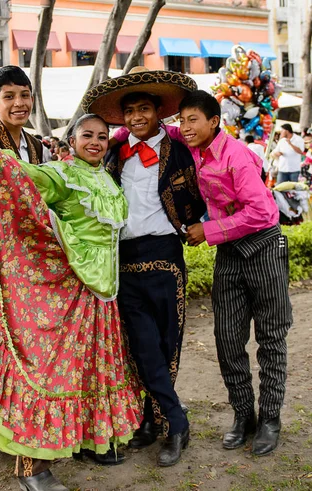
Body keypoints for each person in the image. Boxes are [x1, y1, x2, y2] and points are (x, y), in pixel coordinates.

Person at [0, 114, 143, 490]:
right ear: (71, 140)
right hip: (69, 288)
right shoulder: (61, 174)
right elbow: (22, 175)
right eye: (87, 136)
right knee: (51, 371)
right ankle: (32, 467)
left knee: (92, 368)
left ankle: (89, 441)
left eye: (102, 137)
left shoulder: (106, 178)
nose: (95, 142)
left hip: (103, 295)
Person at [81, 68, 205, 467]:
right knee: (141, 348)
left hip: (166, 257)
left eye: (145, 109)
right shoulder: (114, 153)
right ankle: (170, 420)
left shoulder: (181, 150)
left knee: (167, 346)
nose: (137, 117)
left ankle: (162, 421)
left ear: (158, 113)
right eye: (130, 110)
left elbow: (205, 189)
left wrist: (202, 224)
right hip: (124, 262)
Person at [178, 90, 292, 457]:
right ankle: (244, 416)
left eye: (192, 119)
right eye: (182, 120)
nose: (185, 126)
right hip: (229, 252)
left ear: (214, 121)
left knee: (271, 338)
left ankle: (270, 418)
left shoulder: (237, 156)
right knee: (227, 339)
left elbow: (263, 212)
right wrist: (115, 132)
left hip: (263, 248)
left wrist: (207, 231)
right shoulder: (191, 141)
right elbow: (160, 129)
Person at [0, 65, 51, 164]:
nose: (19, 103)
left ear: (32, 100)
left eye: (24, 95)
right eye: (9, 96)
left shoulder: (37, 147)